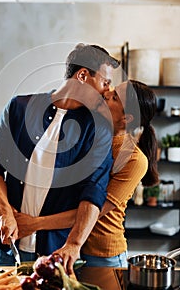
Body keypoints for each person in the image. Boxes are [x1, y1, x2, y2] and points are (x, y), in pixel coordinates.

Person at [0, 43, 120, 269]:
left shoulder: (98, 131)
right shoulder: (18, 108)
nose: (107, 90)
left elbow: (93, 193)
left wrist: (74, 244)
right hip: (8, 246)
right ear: (83, 75)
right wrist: (2, 211)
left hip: (56, 253)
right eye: (105, 82)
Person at [14, 80, 159, 271]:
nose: (106, 93)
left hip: (102, 253)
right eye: (112, 90)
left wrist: (34, 224)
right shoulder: (89, 135)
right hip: (67, 244)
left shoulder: (134, 160)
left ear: (127, 118)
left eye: (114, 97)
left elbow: (93, 211)